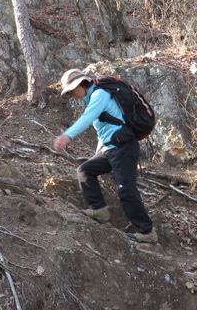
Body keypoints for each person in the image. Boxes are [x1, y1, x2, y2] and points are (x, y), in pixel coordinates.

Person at [52, 69, 158, 244]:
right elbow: (103, 132)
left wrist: (67, 135)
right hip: (110, 150)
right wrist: (98, 155)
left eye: (72, 91)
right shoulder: (94, 98)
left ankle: (147, 231)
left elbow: (87, 119)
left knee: (126, 189)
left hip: (124, 148)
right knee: (85, 170)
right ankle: (100, 210)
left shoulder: (99, 95)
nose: (72, 95)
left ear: (80, 84)